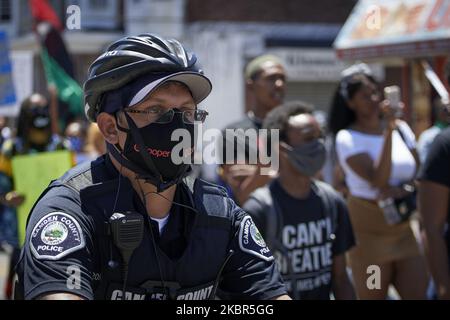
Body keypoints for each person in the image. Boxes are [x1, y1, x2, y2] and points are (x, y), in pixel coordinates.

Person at [15, 34, 289, 300]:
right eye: (157, 111)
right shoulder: (68, 210)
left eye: (187, 113)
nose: (177, 125)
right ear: (110, 128)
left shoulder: (220, 214)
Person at [328, 63, 428, 299]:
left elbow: (418, 172)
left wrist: (406, 189)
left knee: (417, 292)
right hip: (369, 236)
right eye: (365, 96)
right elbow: (378, 179)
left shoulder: (403, 129)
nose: (374, 99)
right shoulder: (347, 138)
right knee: (374, 294)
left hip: (404, 228)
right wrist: (388, 131)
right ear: (350, 103)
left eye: (375, 93)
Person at [243, 101, 356, 300]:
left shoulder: (332, 203)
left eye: (319, 136)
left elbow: (341, 279)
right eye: (308, 138)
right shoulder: (258, 210)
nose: (318, 145)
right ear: (281, 149)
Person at [0, 93, 67, 299]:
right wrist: (7, 196)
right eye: (34, 109)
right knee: (19, 274)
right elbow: (2, 183)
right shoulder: (12, 149)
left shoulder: (60, 146)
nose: (40, 115)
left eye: (43, 108)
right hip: (20, 228)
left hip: (55, 223)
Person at [219, 55, 287, 205]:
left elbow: (314, 176)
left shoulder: (293, 128)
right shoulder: (234, 133)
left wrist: (259, 171)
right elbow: (243, 194)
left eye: (282, 78)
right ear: (251, 85)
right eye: (271, 78)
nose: (279, 84)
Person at [418, 64, 450, 300]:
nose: (278, 86)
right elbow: (430, 226)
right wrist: (443, 286)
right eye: (275, 78)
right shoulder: (277, 124)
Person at [417, 98, 449, 164]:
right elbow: (423, 162)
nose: (449, 111)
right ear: (437, 111)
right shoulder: (428, 136)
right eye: (445, 109)